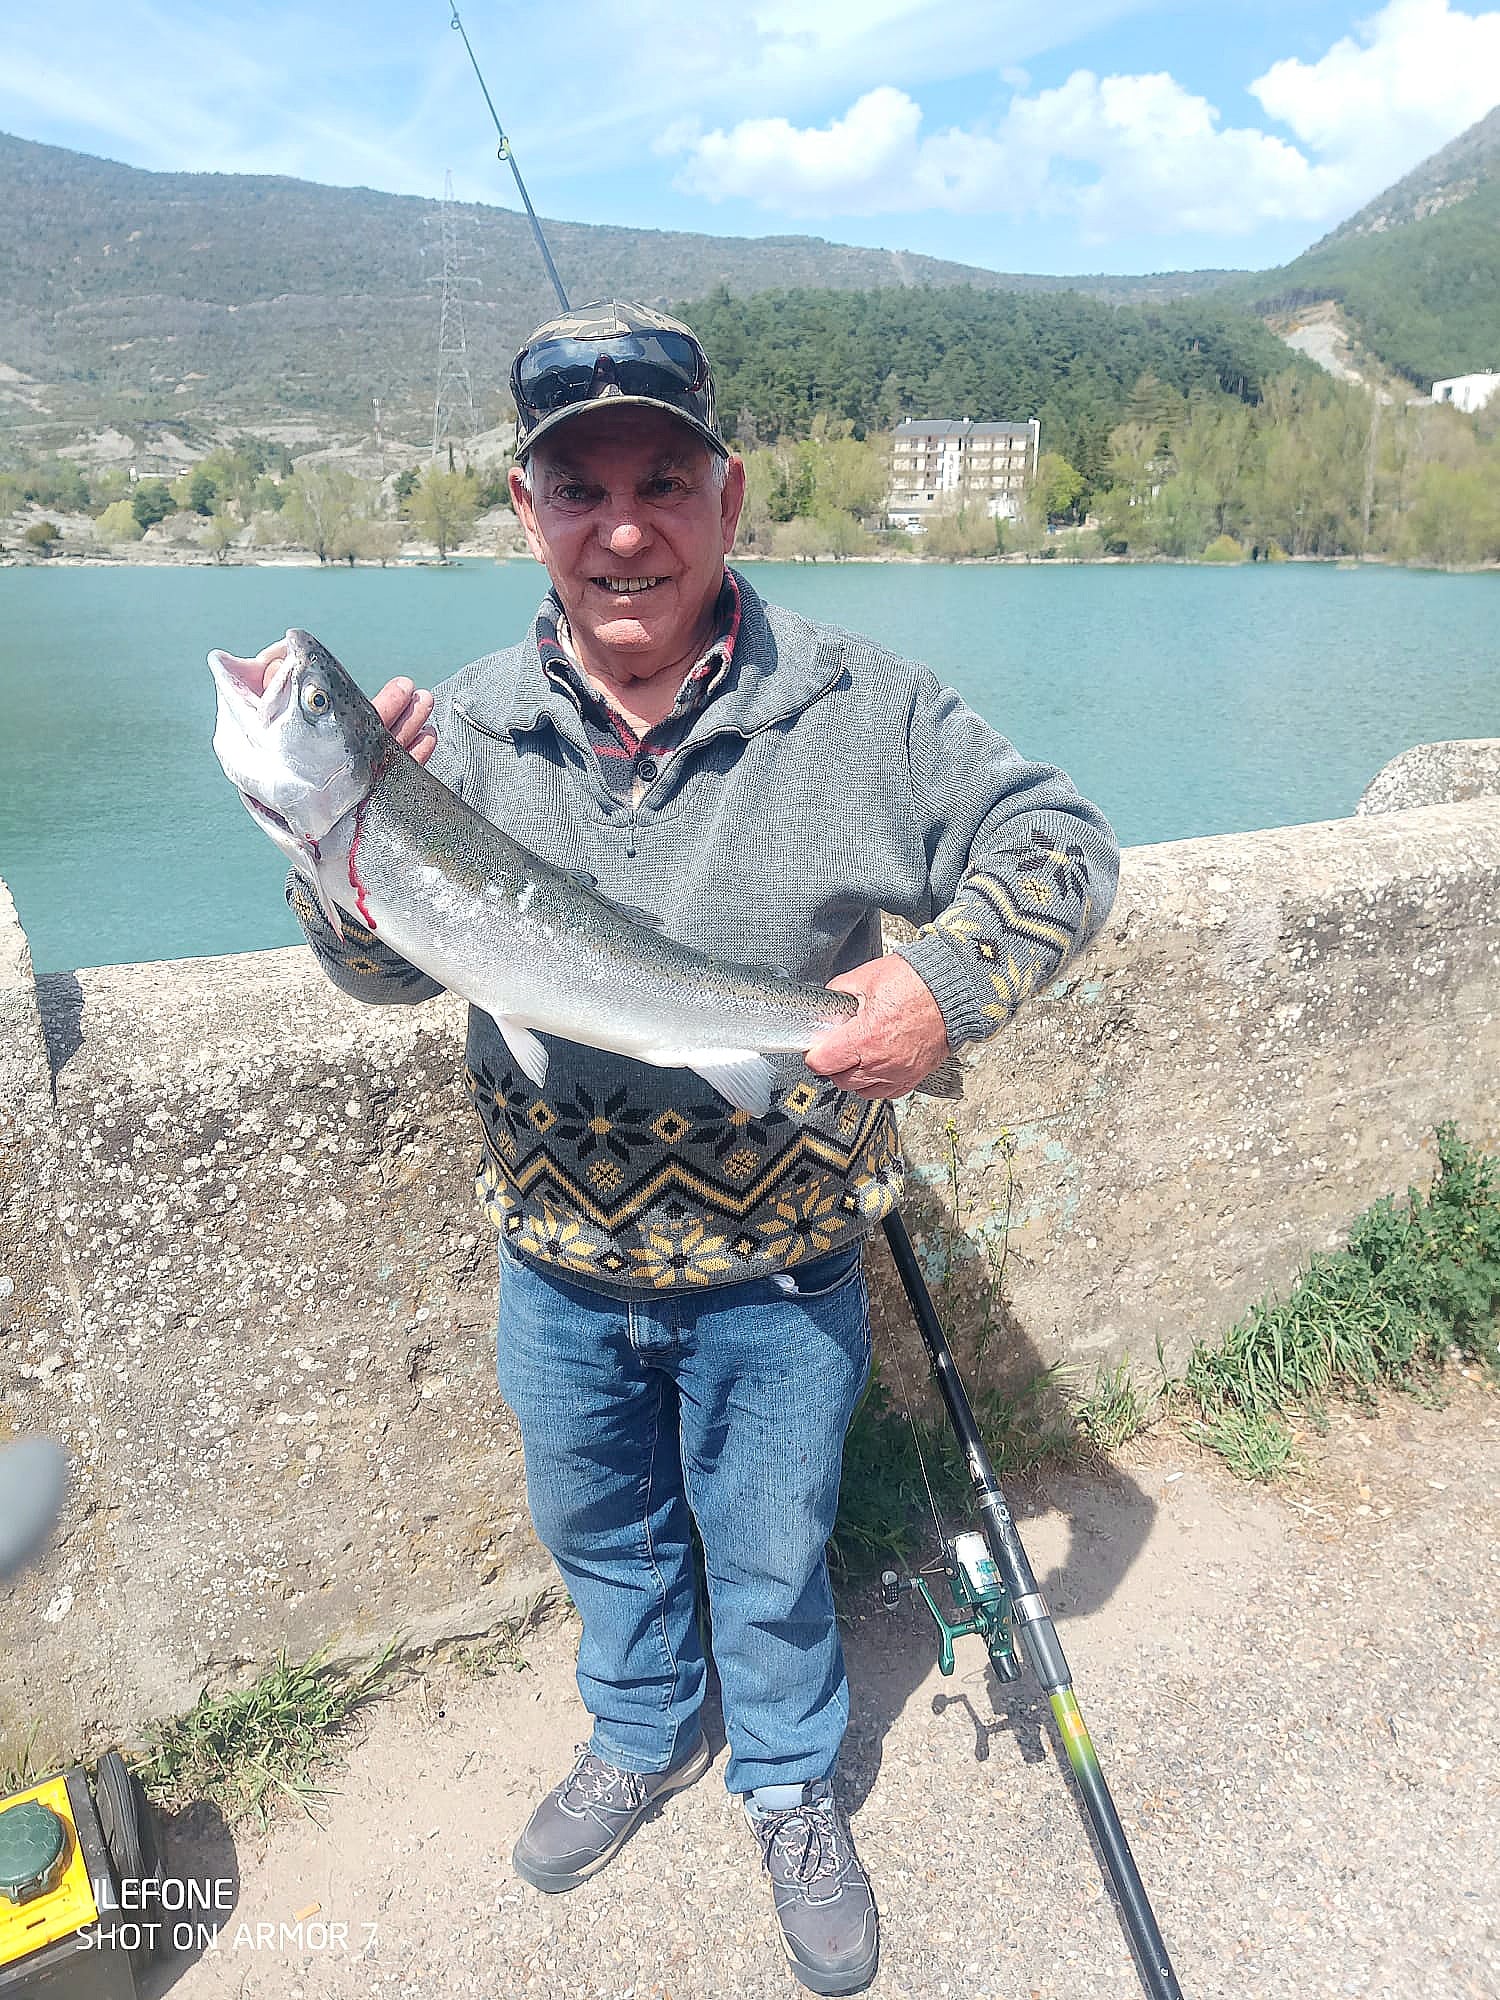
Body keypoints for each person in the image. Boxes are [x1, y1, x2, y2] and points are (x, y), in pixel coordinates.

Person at [266, 302, 1119, 1996]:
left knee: (772, 1537)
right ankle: (641, 1732)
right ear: (529, 515)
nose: (625, 526)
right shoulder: (473, 730)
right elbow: (380, 970)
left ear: (729, 496)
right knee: (604, 1531)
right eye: (579, 489)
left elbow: (1065, 842)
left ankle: (792, 1780)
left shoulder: (862, 710)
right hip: (554, 1269)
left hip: (784, 1266)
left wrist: (944, 988)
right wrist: (334, 856)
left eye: (663, 479)